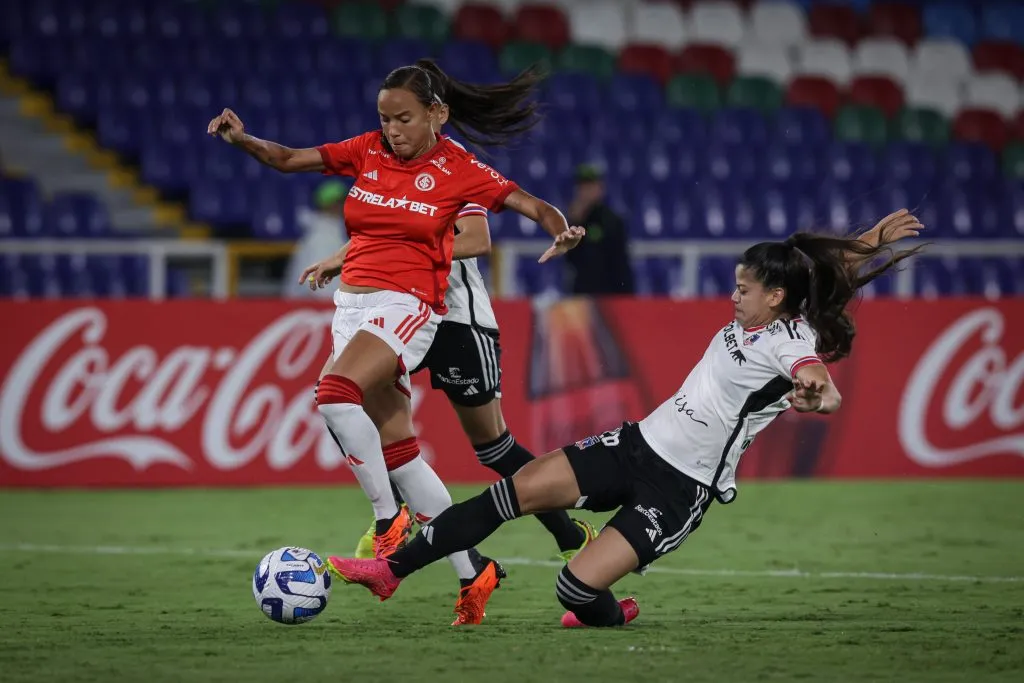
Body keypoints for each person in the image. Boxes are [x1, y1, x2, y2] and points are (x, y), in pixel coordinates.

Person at [325, 209, 925, 627]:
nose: (734, 295)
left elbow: (820, 382)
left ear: (774, 297)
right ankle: (390, 570)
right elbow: (815, 273)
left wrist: (817, 396)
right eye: (736, 284)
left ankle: (613, 613)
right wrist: (867, 242)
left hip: (679, 488)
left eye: (745, 288)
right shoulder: (763, 316)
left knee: (576, 591)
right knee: (510, 493)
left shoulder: (787, 343)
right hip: (635, 443)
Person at [207, 59, 585, 625]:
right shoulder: (372, 151)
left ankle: (399, 521)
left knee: (485, 445)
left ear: (437, 113)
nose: (391, 130)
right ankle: (472, 571)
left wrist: (561, 230)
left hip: (441, 314)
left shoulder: (459, 169)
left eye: (402, 118)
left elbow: (508, 218)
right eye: (384, 119)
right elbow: (289, 161)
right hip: (359, 306)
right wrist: (242, 140)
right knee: (400, 450)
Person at [346, 199, 596, 562]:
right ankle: (391, 517)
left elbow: (477, 239)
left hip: (457, 322)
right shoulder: (381, 172)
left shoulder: (453, 170)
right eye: (389, 135)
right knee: (346, 396)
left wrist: (403, 251)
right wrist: (344, 258)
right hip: (402, 314)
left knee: (494, 447)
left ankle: (569, 535)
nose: (394, 137)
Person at [564, 164, 634, 296]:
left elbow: (620, 264)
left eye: (590, 187)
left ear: (600, 189)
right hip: (582, 294)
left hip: (609, 295)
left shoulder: (612, 221)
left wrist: (625, 299)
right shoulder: (574, 222)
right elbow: (569, 259)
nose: (586, 192)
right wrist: (575, 222)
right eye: (582, 187)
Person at [284, 180, 349, 300]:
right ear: (332, 205)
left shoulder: (328, 232)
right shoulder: (323, 237)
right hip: (318, 307)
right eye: (342, 202)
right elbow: (320, 289)